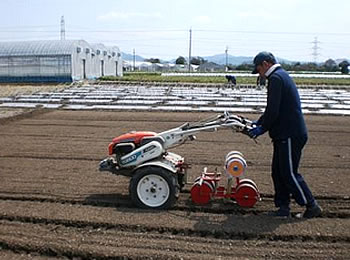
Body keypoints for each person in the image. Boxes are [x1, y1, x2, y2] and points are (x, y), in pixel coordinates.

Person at [248, 51, 322, 218]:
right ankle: (283, 208)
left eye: (258, 69)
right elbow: (272, 110)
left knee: (288, 173)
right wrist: (258, 122)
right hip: (285, 134)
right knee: (277, 171)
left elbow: (274, 110)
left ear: (266, 64)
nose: (259, 74)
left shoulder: (276, 79)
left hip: (289, 133)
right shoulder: (280, 76)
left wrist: (262, 128)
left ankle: (311, 205)